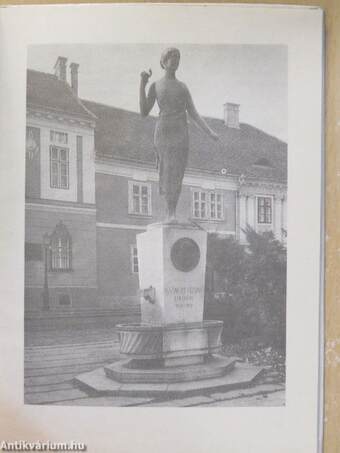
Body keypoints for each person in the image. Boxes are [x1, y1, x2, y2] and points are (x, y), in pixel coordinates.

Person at [140, 47, 218, 222]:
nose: (175, 60)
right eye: (171, 57)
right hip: (164, 131)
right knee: (167, 170)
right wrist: (142, 84)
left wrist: (209, 132)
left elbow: (193, 113)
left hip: (181, 132)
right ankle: (169, 213)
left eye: (178, 57)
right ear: (164, 61)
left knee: (178, 172)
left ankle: (172, 211)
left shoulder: (182, 87)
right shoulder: (156, 85)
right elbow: (144, 111)